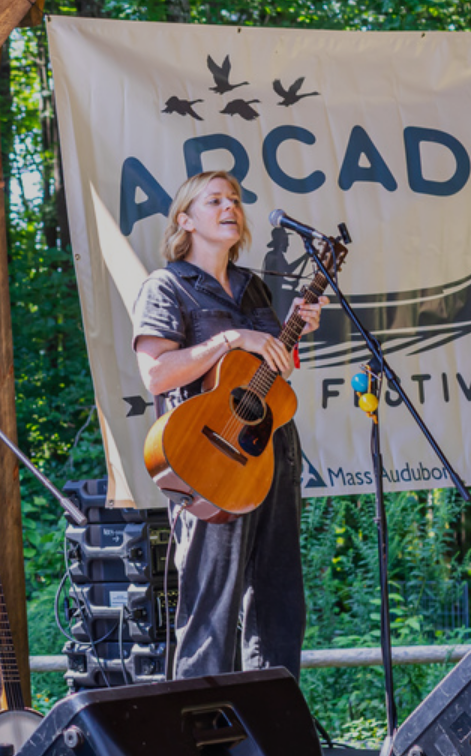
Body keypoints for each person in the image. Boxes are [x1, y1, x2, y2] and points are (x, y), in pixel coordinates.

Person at [129, 171, 325, 679]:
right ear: (185, 220)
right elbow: (157, 374)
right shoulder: (167, 286)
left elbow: (272, 373)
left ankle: (272, 716)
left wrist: (294, 331)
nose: (229, 207)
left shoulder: (252, 287)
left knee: (280, 599)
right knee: (211, 604)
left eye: (234, 199)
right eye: (214, 200)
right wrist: (232, 338)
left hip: (269, 451)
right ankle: (202, 721)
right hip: (208, 458)